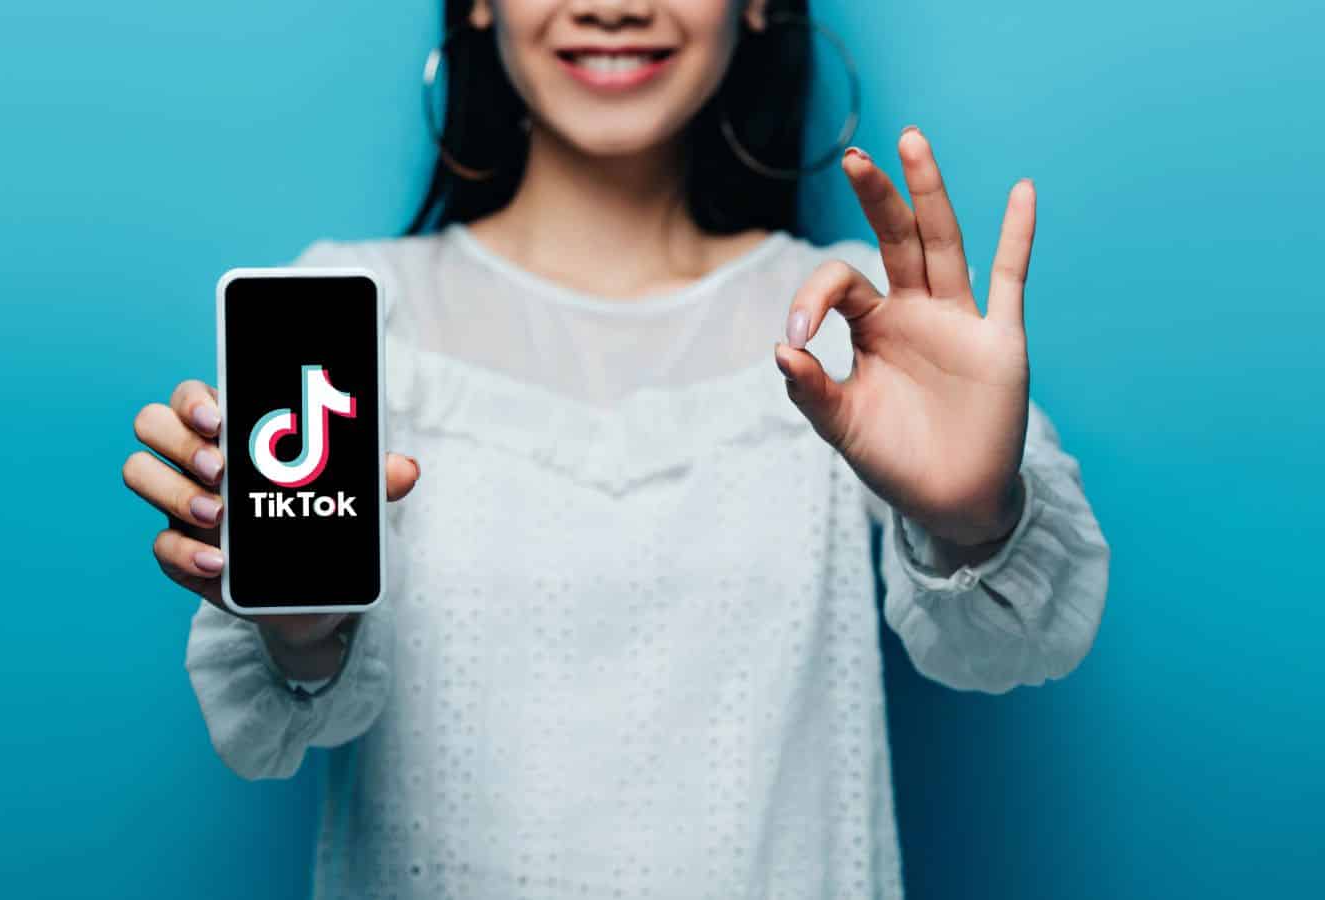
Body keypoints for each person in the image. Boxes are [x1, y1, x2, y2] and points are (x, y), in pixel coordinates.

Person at [121, 0, 1111, 896]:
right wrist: (299, 631)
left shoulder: (859, 320)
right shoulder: (346, 317)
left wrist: (976, 522)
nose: (613, 6)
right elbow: (280, 729)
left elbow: (1014, 647)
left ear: (758, 7)